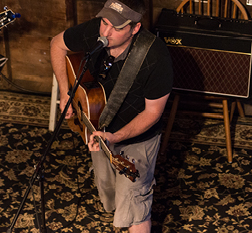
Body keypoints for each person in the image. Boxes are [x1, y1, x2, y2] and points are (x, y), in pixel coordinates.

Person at [50, 0, 173, 232]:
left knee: (134, 204)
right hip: (99, 126)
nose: (105, 32)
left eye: (116, 27)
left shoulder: (155, 58)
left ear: (135, 28)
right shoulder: (96, 31)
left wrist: (115, 137)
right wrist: (66, 92)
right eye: (104, 22)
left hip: (137, 137)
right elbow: (57, 44)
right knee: (110, 196)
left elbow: (153, 113)